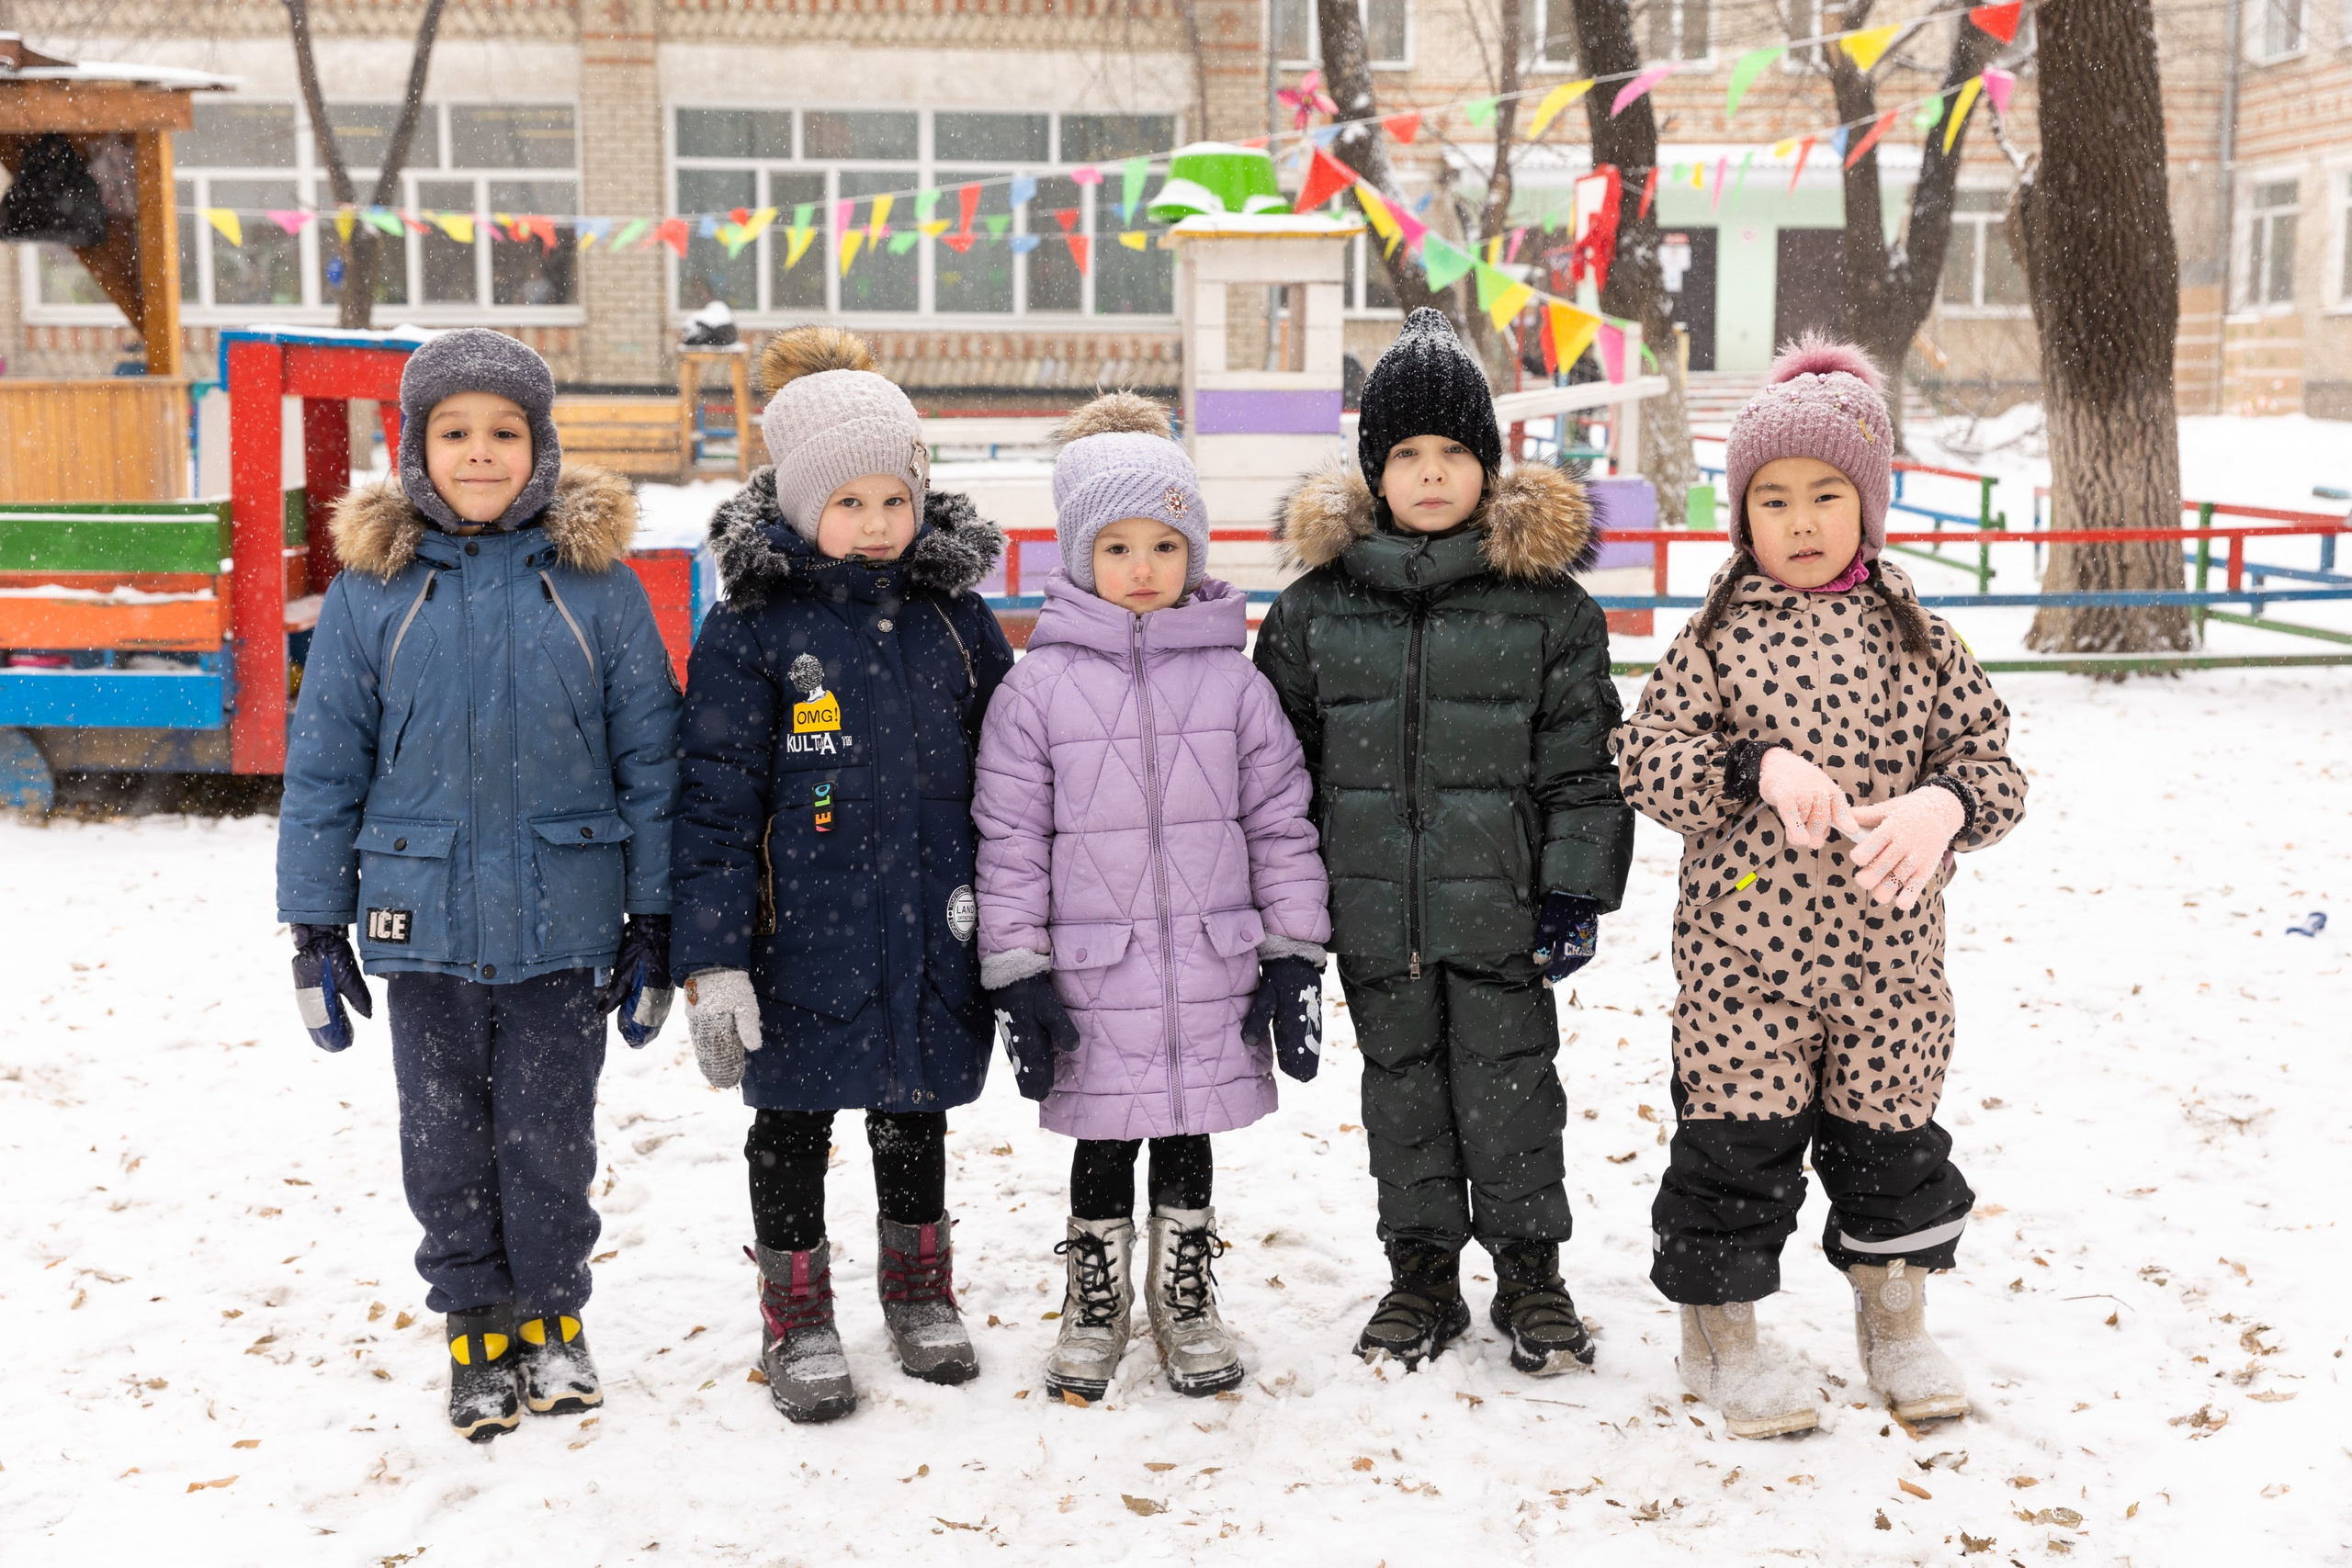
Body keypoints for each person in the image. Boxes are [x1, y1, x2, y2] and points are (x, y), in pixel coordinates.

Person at [1616, 336, 2028, 1438]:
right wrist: (1754, 766)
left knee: (1890, 1148)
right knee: (1733, 1152)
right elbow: (1642, 757)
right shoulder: (1711, 641)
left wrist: (1946, 804)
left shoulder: (1924, 644)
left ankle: (1894, 1326)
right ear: (1742, 518)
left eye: (1826, 495)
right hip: (1742, 962)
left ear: (1870, 505)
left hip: (1890, 966)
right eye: (1773, 499)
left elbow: (1995, 767)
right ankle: (1722, 1343)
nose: (1799, 521)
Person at [276, 328, 680, 1442]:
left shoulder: (598, 591)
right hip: (424, 922)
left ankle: (553, 1317)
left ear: (542, 448)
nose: (482, 452)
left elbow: (652, 760)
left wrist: (656, 917)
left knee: (550, 1136)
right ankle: (476, 1328)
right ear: (415, 449)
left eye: (506, 431)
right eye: (455, 432)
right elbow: (324, 766)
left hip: (565, 920)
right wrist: (312, 921)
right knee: (444, 1138)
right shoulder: (374, 593)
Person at [1254, 309, 1634, 1374]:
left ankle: (1529, 1271)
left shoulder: (1548, 611)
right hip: (1372, 910)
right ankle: (1420, 1272)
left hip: (1501, 909)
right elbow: (1271, 772)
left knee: (1511, 1092)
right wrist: (1287, 911)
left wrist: (1572, 893)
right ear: (1373, 468)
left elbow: (1583, 767)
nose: (1429, 475)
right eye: (1406, 455)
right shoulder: (1314, 613)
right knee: (1404, 1094)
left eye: (1452, 453)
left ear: (1488, 465)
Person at [671, 325, 1014, 1424]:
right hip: (796, 937)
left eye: (894, 500)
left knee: (914, 1107)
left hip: (928, 922)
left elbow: (1013, 779)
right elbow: (715, 803)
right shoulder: (752, 632)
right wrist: (714, 961)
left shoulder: (958, 624)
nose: (875, 525)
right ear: (799, 505)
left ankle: (918, 1290)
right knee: (792, 1123)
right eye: (848, 502)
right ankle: (797, 1308)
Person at [972, 393, 1329, 1401]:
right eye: (1116, 545)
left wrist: (1294, 950)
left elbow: (1278, 823)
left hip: (1212, 962)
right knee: (1102, 1138)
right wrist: (1016, 968)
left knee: (1185, 1136)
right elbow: (1009, 842)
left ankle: (1184, 1293)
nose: (1141, 568)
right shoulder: (1035, 690)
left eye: (1165, 545)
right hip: (1092, 972)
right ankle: (1095, 1296)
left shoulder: (1236, 683)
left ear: (1194, 552)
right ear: (1080, 555)